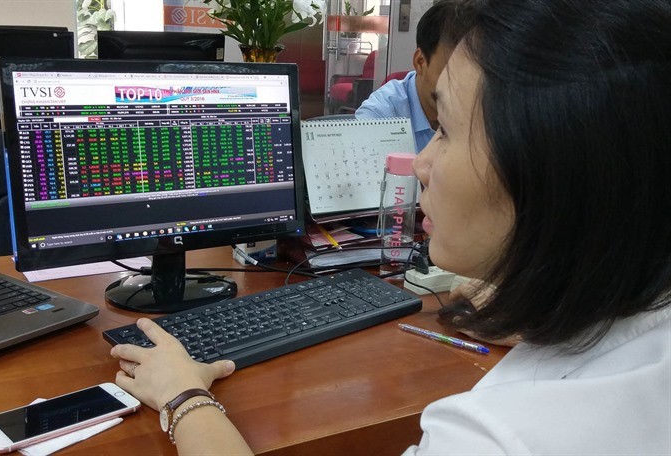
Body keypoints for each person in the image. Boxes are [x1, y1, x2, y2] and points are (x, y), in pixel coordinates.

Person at [110, 0, 671, 454]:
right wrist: (543, 318)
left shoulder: (496, 439)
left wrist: (183, 396)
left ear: (549, 170)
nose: (420, 163)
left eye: (445, 129)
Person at [354, 0, 475, 152]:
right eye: (452, 73)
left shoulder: (483, 110)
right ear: (420, 62)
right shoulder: (381, 116)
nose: (462, 86)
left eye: (473, 76)